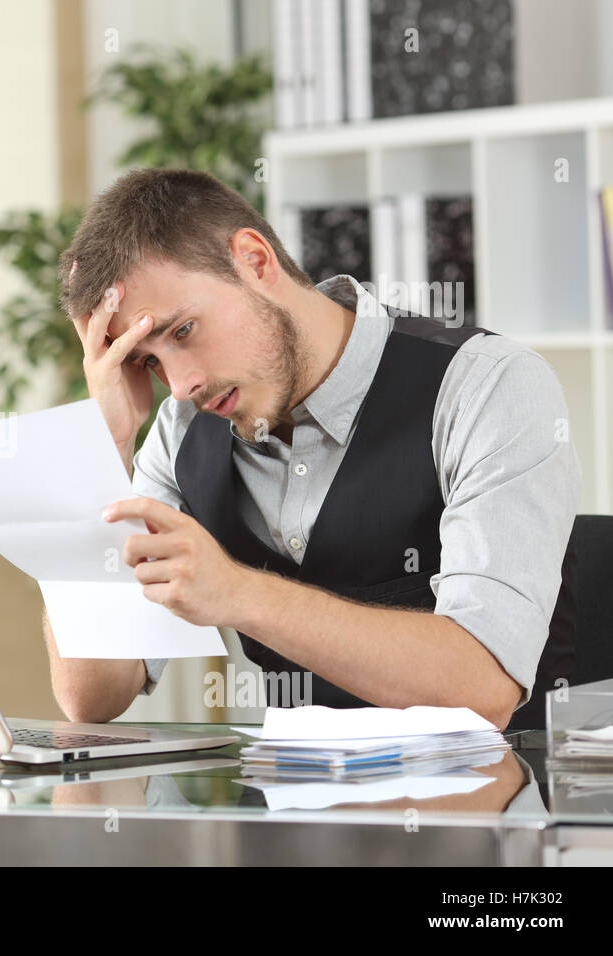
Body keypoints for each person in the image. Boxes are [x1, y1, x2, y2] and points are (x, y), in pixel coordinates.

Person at [44, 167, 578, 732]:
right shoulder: (182, 428)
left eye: (182, 332)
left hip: (493, 803)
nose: (179, 385)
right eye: (147, 360)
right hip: (291, 811)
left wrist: (239, 593)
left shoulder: (486, 385)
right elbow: (92, 696)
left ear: (254, 260)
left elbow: (483, 685)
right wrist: (103, 452)